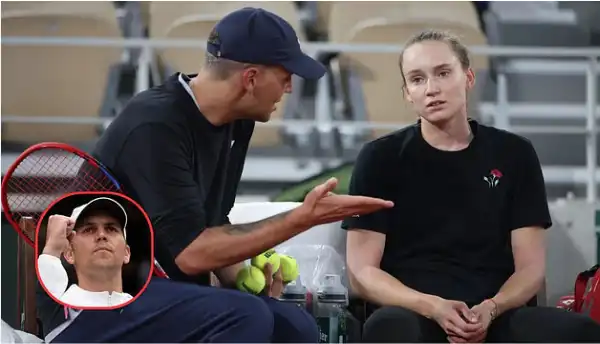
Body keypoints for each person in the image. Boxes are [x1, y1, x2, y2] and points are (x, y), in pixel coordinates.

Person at [38, 7, 393, 344]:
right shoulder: (154, 124)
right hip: (89, 299)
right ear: (251, 78)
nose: (289, 89)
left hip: (159, 291)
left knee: (295, 325)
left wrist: (240, 277)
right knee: (246, 316)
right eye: (285, 77)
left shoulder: (239, 120)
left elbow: (214, 222)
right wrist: (302, 217)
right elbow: (192, 254)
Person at [342, 29, 600, 343]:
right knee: (391, 328)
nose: (431, 89)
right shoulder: (379, 157)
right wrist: (433, 307)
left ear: (468, 77)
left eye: (443, 73)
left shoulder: (514, 154)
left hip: (496, 312)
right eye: (417, 79)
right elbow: (362, 273)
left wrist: (491, 309)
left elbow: (530, 268)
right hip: (413, 311)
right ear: (407, 93)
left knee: (579, 332)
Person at [38, 197, 133, 341]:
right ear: (70, 254)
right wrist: (52, 247)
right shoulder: (58, 310)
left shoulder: (150, 309)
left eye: (111, 229)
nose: (101, 235)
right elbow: (46, 277)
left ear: (126, 253)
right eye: (89, 230)